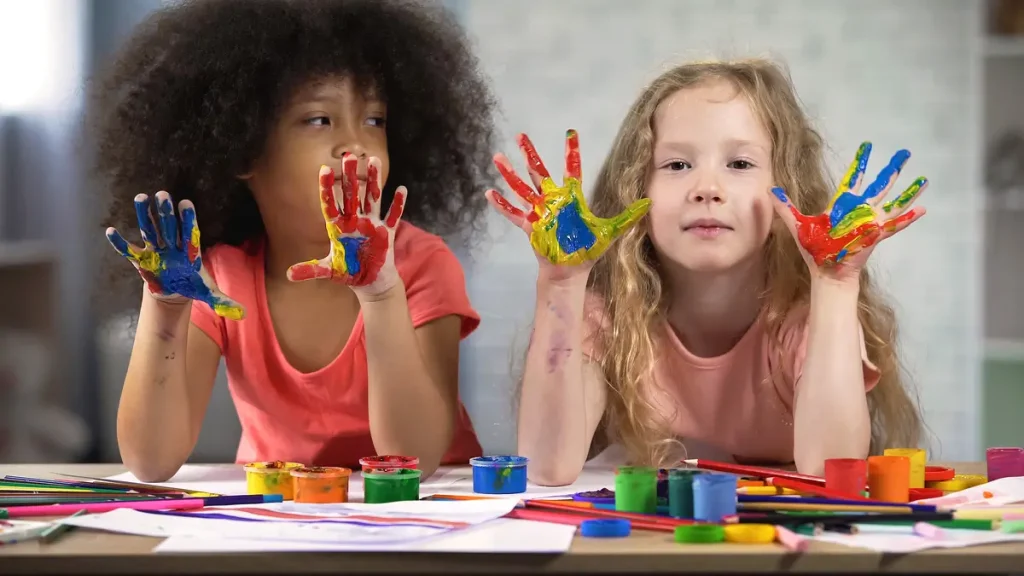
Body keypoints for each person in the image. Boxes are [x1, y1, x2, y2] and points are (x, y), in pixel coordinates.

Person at [91, 0, 499, 482]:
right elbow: (151, 461)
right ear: (243, 149)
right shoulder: (219, 277)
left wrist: (382, 293)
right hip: (284, 523)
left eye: (375, 120)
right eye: (319, 120)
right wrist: (164, 310)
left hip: (428, 514)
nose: (356, 145)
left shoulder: (422, 263)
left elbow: (415, 459)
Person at [487, 59, 928, 485]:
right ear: (637, 191)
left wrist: (835, 284)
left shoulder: (808, 318)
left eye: (739, 164)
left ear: (786, 194)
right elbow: (545, 468)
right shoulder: (607, 317)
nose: (707, 190)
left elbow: (832, 470)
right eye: (677, 165)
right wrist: (561, 283)